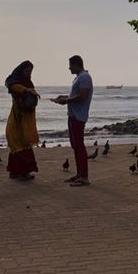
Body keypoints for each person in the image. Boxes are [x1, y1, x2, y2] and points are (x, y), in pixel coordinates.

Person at [52, 55, 93, 187]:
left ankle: (84, 177)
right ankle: (79, 174)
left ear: (77, 65)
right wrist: (65, 97)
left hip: (78, 116)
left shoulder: (84, 77)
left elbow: (83, 96)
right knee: (75, 146)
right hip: (73, 115)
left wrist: (66, 101)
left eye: (70, 65)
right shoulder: (78, 78)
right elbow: (78, 95)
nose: (69, 68)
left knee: (79, 146)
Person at [5, 60, 40, 180]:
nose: (28, 73)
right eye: (26, 71)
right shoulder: (15, 82)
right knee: (17, 143)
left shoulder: (28, 82)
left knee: (25, 143)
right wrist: (27, 90)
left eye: (30, 71)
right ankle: (17, 173)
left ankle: (22, 172)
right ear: (20, 70)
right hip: (17, 118)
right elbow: (14, 86)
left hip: (26, 119)